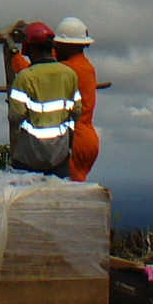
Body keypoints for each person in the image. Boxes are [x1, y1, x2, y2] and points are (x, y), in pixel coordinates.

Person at [7, 21, 84, 179]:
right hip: (59, 156)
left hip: (29, 158)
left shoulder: (24, 78)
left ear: (29, 48)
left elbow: (15, 117)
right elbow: (77, 112)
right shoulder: (69, 75)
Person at [53, 15, 102, 183]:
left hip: (76, 139)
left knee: (72, 191)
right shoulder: (86, 67)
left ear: (66, 46)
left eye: (58, 44)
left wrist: (15, 56)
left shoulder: (66, 69)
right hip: (87, 137)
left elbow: (35, 73)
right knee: (78, 184)